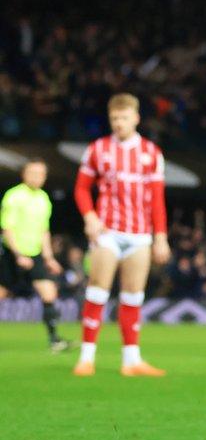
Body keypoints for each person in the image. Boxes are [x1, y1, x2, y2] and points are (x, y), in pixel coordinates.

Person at [72, 93, 171, 376]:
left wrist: (161, 237)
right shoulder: (98, 149)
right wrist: (90, 217)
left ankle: (131, 361)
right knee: (97, 291)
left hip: (140, 234)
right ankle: (86, 357)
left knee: (132, 297)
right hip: (108, 231)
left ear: (136, 118)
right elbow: (81, 188)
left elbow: (157, 199)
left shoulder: (151, 153)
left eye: (124, 118)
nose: (119, 123)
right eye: (114, 118)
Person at [0, 159, 69, 351]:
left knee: (49, 292)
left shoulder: (43, 199)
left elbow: (44, 231)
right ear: (24, 174)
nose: (37, 177)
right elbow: (7, 229)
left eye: (41, 174)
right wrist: (18, 255)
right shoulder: (14, 196)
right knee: (2, 293)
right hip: (14, 255)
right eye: (33, 173)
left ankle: (54, 340)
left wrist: (49, 258)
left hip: (36, 254)